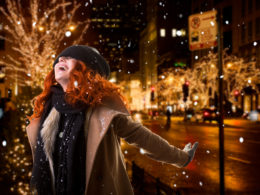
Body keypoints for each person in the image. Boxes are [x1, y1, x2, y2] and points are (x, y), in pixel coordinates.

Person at [26, 45, 198, 195]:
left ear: (87, 72)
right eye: (61, 58)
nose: (61, 58)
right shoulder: (47, 108)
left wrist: (181, 157)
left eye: (71, 57)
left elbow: (143, 138)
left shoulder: (103, 108)